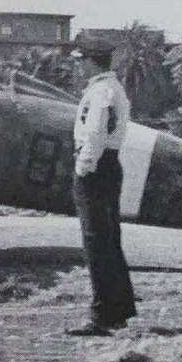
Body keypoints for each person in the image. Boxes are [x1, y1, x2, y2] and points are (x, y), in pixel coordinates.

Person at [66, 38, 137, 336]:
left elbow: (95, 132)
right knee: (109, 240)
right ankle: (119, 310)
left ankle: (101, 316)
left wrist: (84, 167)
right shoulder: (113, 89)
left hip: (97, 168)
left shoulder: (100, 92)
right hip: (109, 165)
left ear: (93, 61)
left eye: (81, 60)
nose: (78, 64)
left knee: (96, 241)